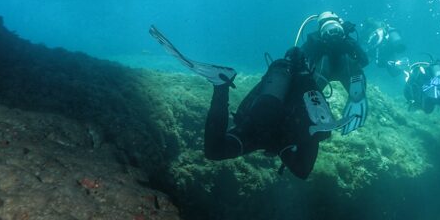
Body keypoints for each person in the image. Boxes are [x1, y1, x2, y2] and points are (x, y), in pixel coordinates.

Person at [149, 26, 348, 179]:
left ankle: (221, 84)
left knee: (214, 151)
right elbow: (318, 113)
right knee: (303, 171)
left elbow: (254, 99)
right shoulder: (305, 79)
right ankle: (221, 85)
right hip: (284, 138)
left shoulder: (277, 74)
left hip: (256, 127)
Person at [297, 11, 369, 134]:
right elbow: (364, 60)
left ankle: (308, 105)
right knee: (349, 63)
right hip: (346, 70)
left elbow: (299, 59)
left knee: (311, 86)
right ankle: (356, 98)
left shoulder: (314, 40)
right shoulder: (347, 39)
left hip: (321, 72)